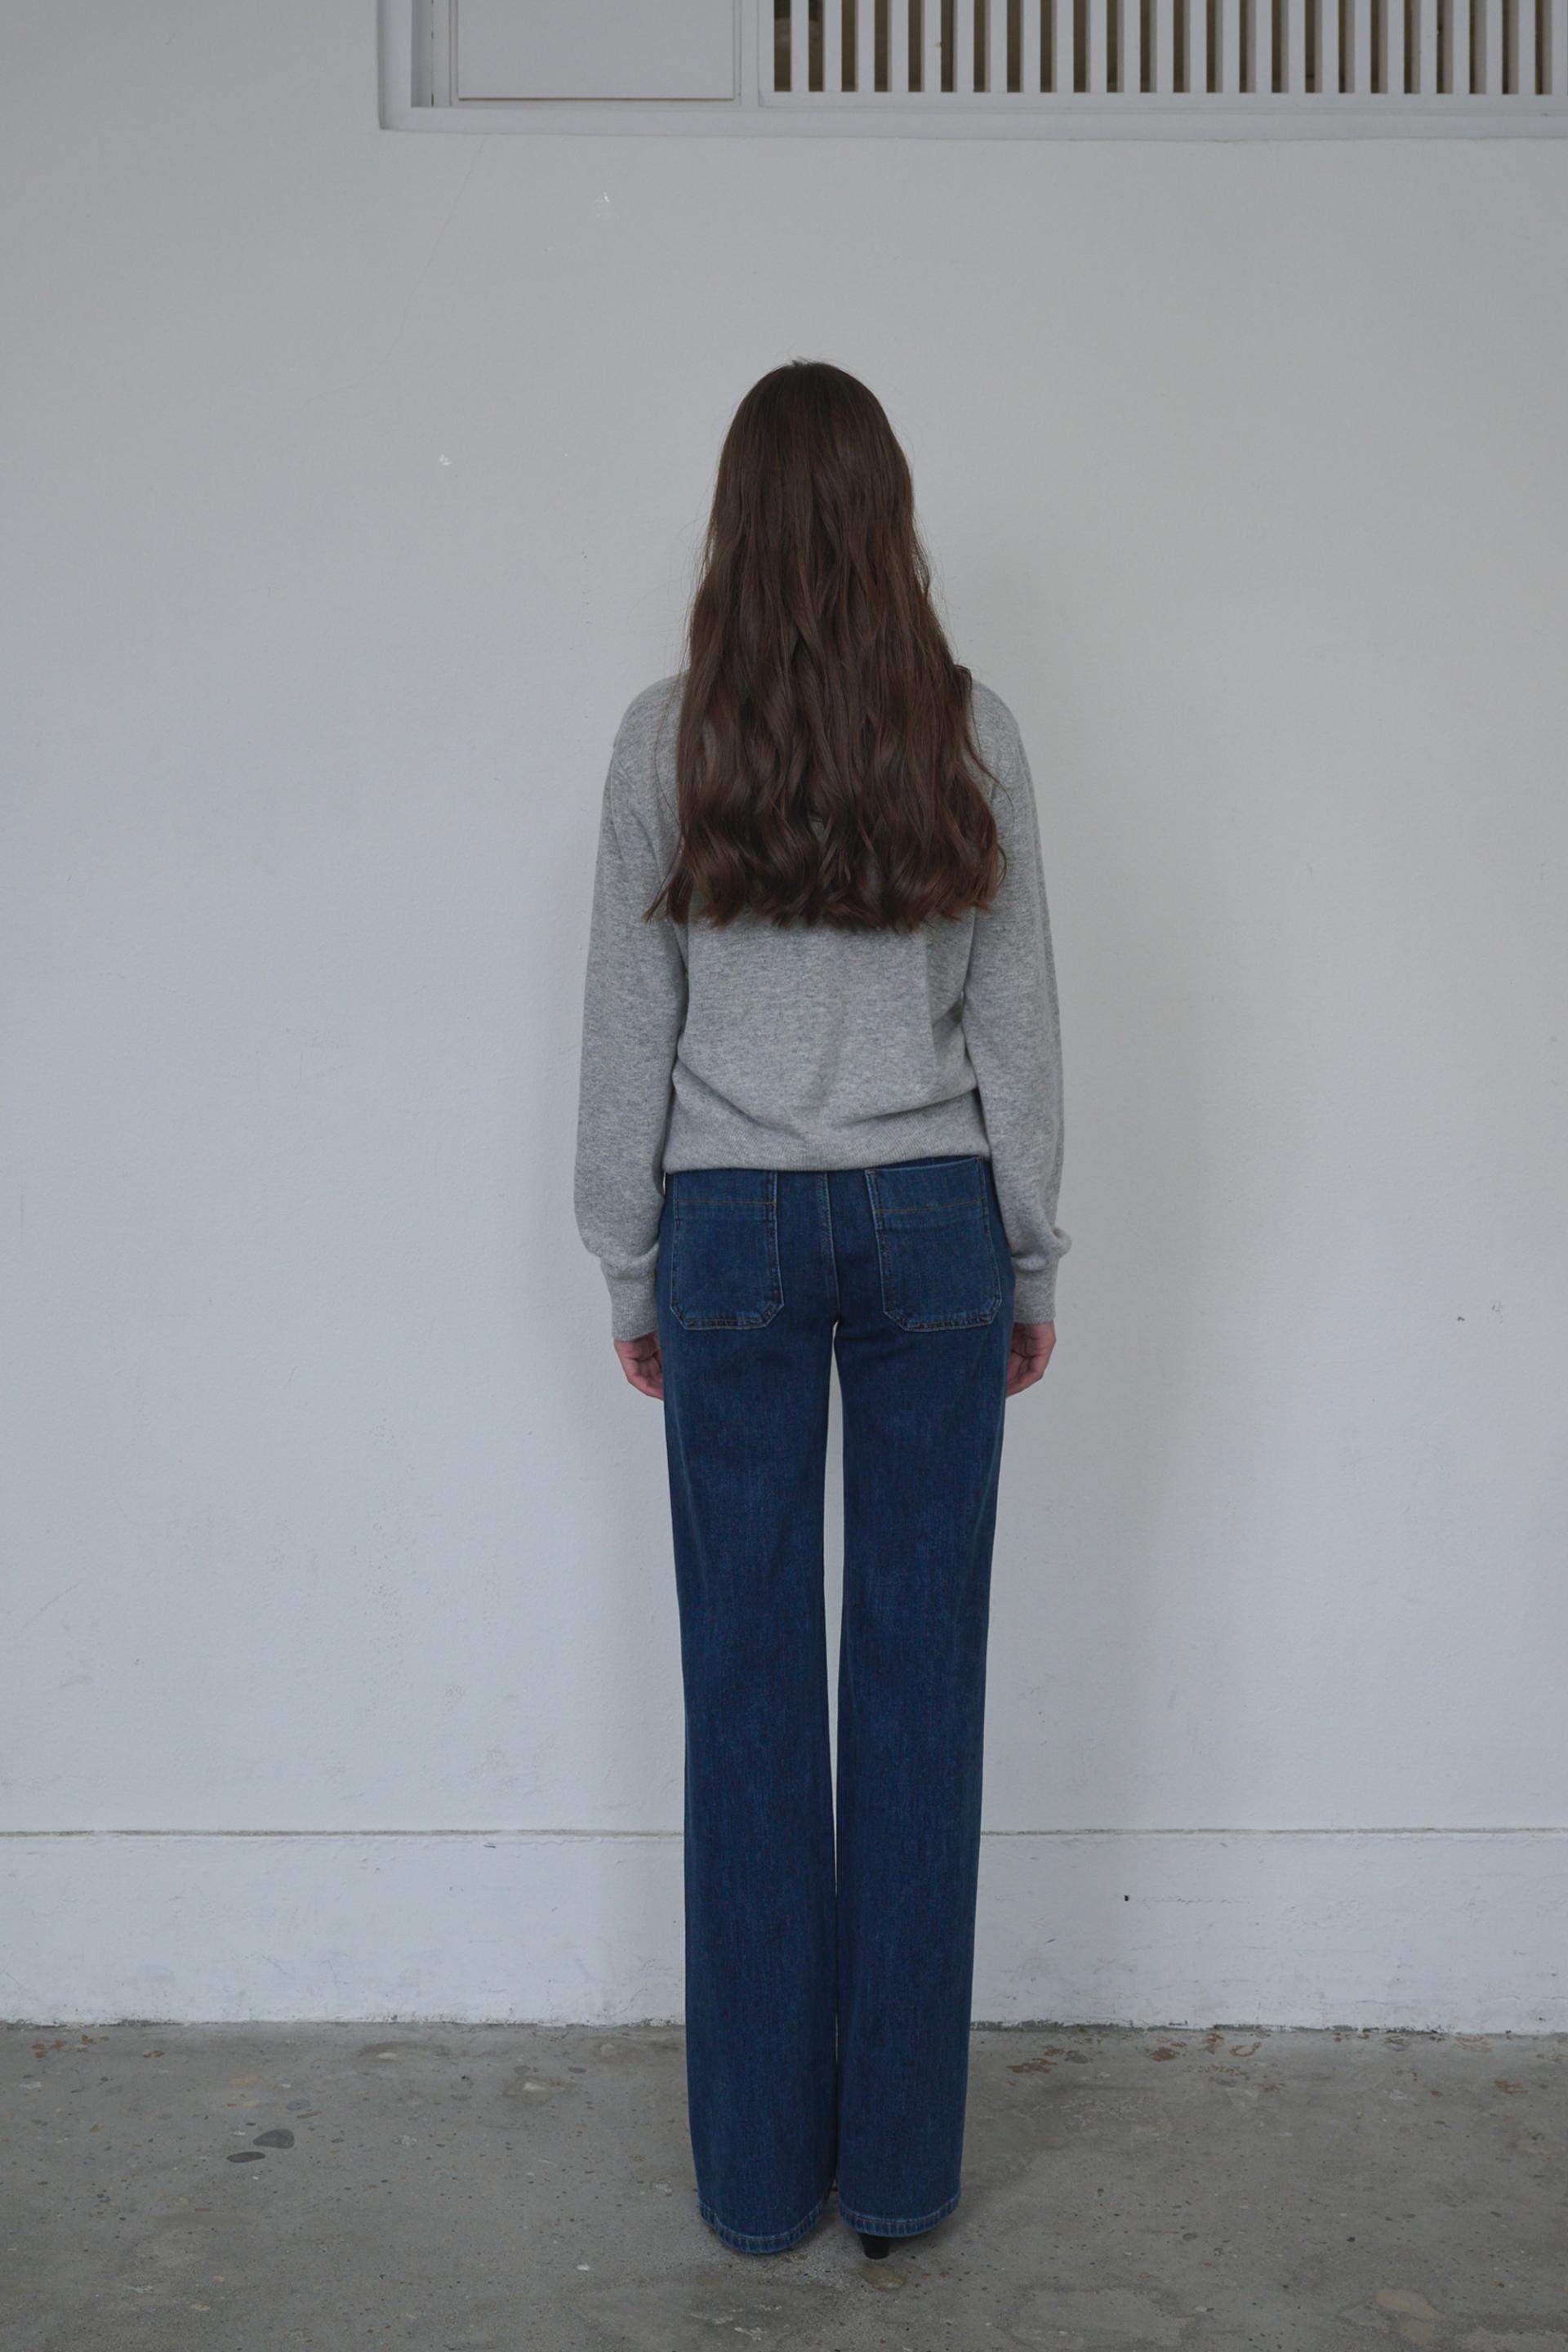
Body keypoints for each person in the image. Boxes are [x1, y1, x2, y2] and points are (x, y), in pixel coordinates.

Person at [572, 359, 1069, 2263]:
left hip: (730, 1231)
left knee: (750, 1692)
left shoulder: (665, 739)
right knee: (922, 1696)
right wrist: (1028, 1249)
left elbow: (631, 1027)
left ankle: (764, 2182)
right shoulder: (970, 733)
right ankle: (907, 2183)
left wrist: (631, 1255)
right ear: (887, 523)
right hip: (935, 1219)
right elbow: (1016, 1018)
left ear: (736, 527)